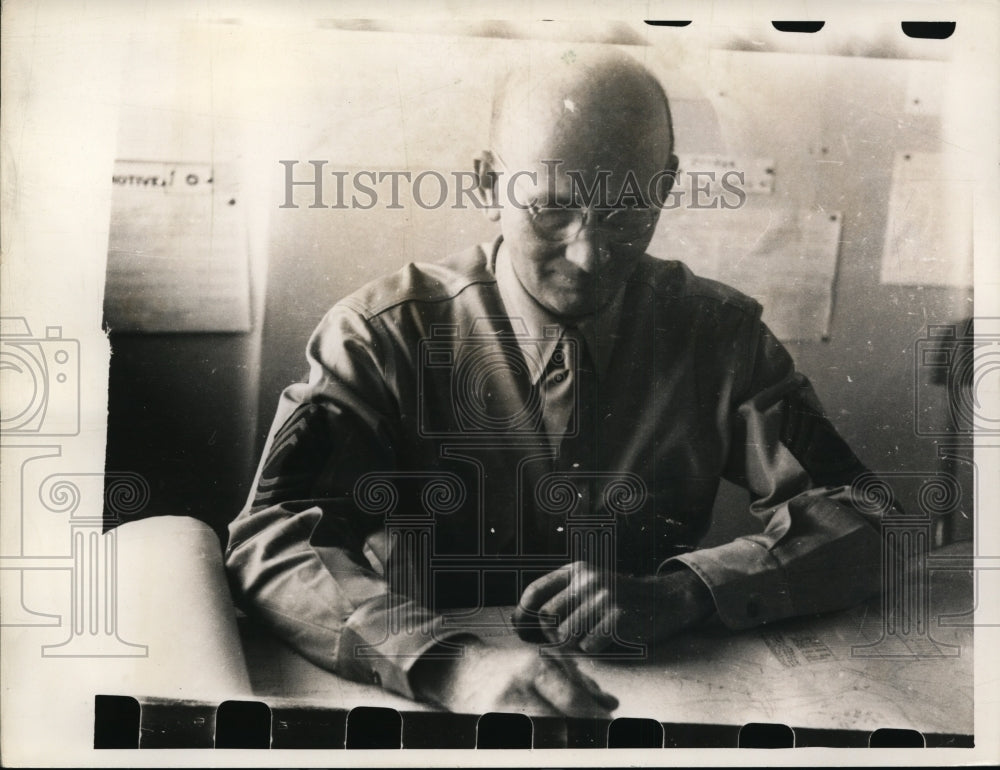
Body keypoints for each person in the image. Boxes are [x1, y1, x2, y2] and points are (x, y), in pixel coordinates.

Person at [225, 49, 884, 718]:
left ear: (666, 186)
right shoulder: (380, 337)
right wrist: (449, 665)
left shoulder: (722, 338)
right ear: (487, 183)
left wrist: (685, 590)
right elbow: (273, 538)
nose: (590, 256)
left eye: (626, 214)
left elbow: (865, 511)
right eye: (552, 210)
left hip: (656, 704)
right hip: (438, 709)